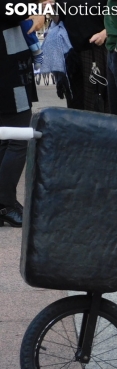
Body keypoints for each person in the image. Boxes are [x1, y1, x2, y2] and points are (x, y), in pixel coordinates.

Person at [0, 6, 44, 228]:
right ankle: (5, 204)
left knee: (5, 139)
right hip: (8, 72)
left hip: (9, 67)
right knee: (19, 139)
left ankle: (3, 205)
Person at [53, 0, 109, 112]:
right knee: (75, 101)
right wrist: (50, 10)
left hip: (96, 51)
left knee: (96, 100)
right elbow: (59, 19)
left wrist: (105, 33)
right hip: (71, 54)